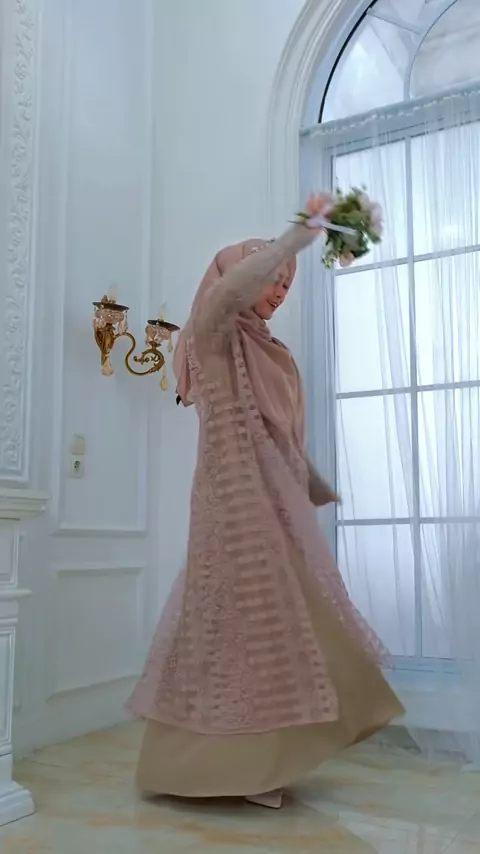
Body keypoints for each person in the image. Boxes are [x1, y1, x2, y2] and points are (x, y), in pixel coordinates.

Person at [127, 195, 404, 809]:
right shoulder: (213, 335)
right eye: (272, 278)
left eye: (287, 283)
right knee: (237, 629)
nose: (279, 290)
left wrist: (312, 486)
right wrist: (301, 235)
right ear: (239, 277)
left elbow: (279, 439)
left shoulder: (271, 351)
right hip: (231, 505)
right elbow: (231, 291)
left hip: (274, 506)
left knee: (281, 627)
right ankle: (218, 768)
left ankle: (266, 761)